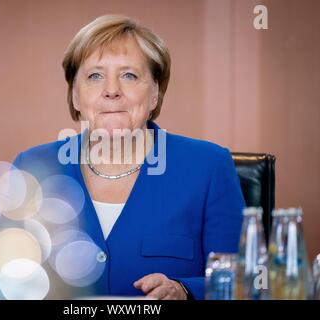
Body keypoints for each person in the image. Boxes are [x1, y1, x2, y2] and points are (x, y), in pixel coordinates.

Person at [13, 14, 245, 300]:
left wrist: (185, 290)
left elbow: (244, 282)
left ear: (155, 94)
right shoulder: (32, 169)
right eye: (95, 76)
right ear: (75, 96)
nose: (111, 91)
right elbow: (2, 278)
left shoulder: (208, 167)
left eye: (129, 75)